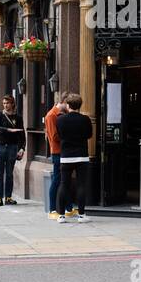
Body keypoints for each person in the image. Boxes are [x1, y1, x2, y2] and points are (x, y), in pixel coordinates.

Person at [55, 93, 92, 224]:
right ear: (79, 105)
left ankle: (61, 215)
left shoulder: (60, 120)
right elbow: (89, 135)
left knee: (64, 184)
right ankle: (81, 215)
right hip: (82, 156)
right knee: (81, 185)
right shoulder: (86, 119)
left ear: (68, 105)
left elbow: (59, 136)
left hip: (66, 157)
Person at [0, 95, 24, 207]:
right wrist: (9, 130)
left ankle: (8, 197)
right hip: (0, 147)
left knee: (9, 174)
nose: (5, 105)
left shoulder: (18, 117)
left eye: (7, 103)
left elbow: (21, 134)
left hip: (12, 148)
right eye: (4, 103)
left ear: (12, 104)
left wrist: (22, 149)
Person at [44, 95, 66, 219]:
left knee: (63, 180)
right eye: (67, 104)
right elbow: (54, 137)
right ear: (62, 102)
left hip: (62, 151)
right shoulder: (52, 115)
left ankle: (68, 208)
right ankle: (52, 209)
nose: (68, 107)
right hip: (57, 152)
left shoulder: (60, 114)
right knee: (57, 180)